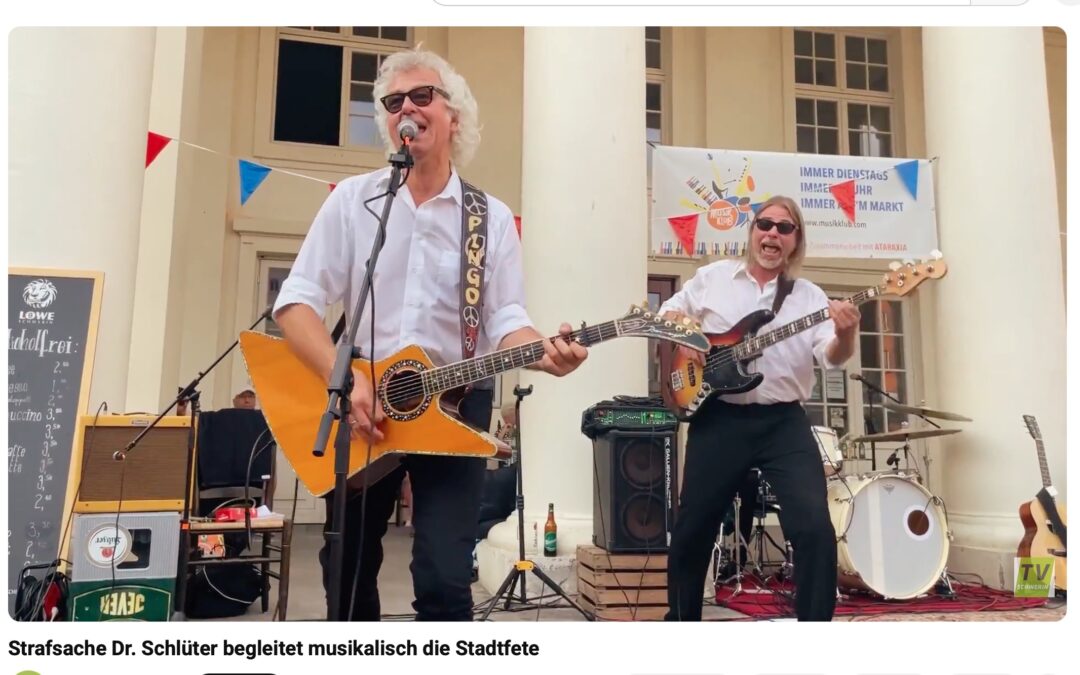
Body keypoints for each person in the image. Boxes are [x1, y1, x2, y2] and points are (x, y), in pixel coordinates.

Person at [272, 48, 587, 621]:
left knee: (444, 576)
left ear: (454, 118)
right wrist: (344, 376)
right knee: (344, 567)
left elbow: (506, 322)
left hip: (456, 402)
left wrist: (543, 352)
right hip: (362, 407)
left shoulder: (487, 218)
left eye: (422, 97)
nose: (406, 109)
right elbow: (295, 304)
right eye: (393, 102)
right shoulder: (353, 202)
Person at [660, 195, 859, 622]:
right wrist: (687, 337)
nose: (772, 233)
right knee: (693, 528)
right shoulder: (713, 278)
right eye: (765, 224)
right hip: (719, 417)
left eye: (784, 228)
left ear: (794, 241)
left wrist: (847, 334)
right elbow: (668, 311)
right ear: (752, 232)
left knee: (813, 527)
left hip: (782, 422)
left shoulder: (809, 297)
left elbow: (832, 356)